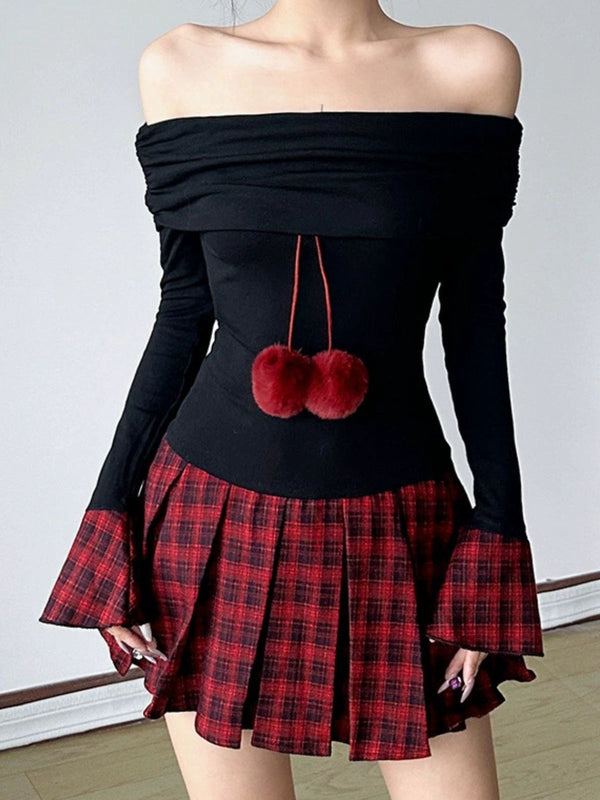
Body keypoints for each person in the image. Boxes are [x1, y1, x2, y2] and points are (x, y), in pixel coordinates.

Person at [39, 3, 545, 799]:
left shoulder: (473, 66)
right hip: (209, 522)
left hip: (399, 521)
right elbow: (183, 314)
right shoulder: (180, 65)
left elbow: (475, 325)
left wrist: (497, 530)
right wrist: (109, 518)